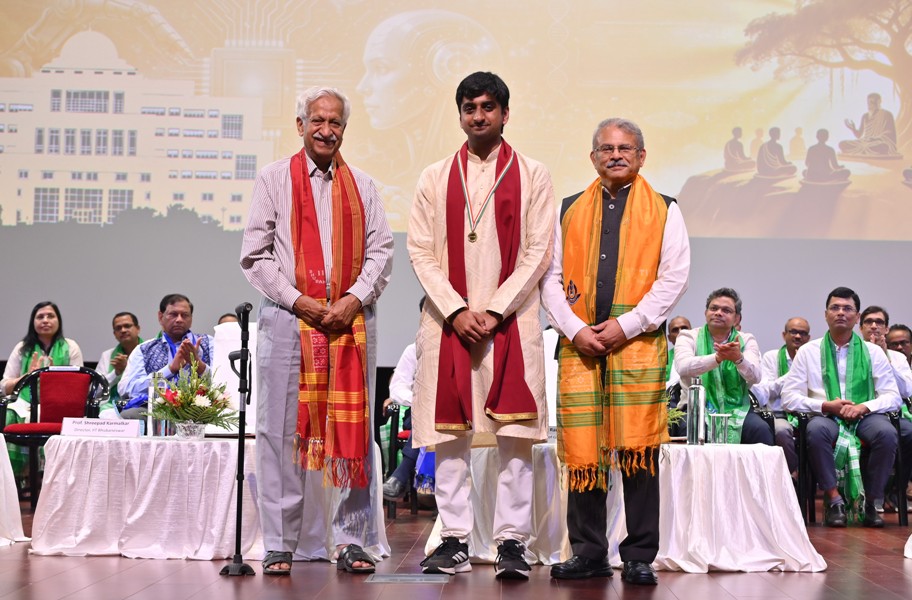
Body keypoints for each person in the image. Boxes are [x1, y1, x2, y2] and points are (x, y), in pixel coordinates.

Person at [240, 86, 394, 576]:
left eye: (336, 122)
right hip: (289, 320)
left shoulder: (363, 185)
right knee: (279, 432)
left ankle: (351, 540)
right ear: (300, 124)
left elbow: (382, 252)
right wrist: (301, 301)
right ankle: (280, 542)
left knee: (353, 431)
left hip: (351, 324)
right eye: (318, 120)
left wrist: (352, 299)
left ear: (344, 128)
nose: (327, 129)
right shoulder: (272, 180)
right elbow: (255, 255)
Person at [408, 71, 553, 580]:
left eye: (488, 107)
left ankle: (511, 542)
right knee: (451, 437)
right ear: (461, 114)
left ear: (505, 114)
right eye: (470, 107)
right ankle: (453, 538)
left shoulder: (534, 174)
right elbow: (421, 252)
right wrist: (455, 309)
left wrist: (493, 310)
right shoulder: (433, 177)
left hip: (510, 322)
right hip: (449, 323)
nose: (479, 116)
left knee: (514, 437)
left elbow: (538, 251)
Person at [540, 117, 690, 585]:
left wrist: (625, 326)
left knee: (637, 453)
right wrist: (574, 329)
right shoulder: (567, 209)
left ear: (642, 156)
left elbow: (673, 279)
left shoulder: (666, 209)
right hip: (580, 346)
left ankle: (640, 554)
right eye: (606, 148)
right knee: (585, 453)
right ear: (593, 157)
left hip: (637, 349)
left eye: (626, 148)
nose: (616, 155)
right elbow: (548, 277)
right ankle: (588, 553)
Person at [782, 287, 902, 527]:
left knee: (887, 433)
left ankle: (871, 503)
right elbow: (789, 397)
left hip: (864, 415)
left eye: (847, 308)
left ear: (857, 317)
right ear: (825, 314)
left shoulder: (873, 352)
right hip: (825, 415)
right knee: (815, 432)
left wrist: (864, 407)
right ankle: (834, 499)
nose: (841, 313)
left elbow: (893, 396)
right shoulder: (808, 351)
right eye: (835, 308)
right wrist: (826, 405)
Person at [674, 288, 773, 446]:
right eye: (714, 308)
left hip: (737, 407)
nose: (718, 313)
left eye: (726, 310)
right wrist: (717, 358)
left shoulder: (746, 340)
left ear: (737, 318)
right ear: (706, 312)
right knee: (690, 429)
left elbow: (755, 377)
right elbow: (683, 366)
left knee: (760, 429)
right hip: (696, 408)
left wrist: (738, 359)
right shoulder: (688, 336)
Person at [2, 301, 84, 474]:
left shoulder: (71, 347)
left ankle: (53, 476)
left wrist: (54, 379)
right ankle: (19, 477)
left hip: (60, 406)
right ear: (33, 322)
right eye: (40, 317)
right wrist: (28, 376)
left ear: (58, 321)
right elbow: (5, 386)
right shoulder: (22, 348)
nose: (45, 320)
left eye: (50, 316)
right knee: (10, 412)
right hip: (24, 404)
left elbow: (80, 385)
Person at [118, 294, 213, 419]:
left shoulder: (209, 342)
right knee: (129, 415)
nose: (179, 319)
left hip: (200, 409)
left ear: (191, 318)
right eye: (173, 314)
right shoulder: (145, 349)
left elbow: (225, 382)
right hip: (157, 409)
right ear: (160, 316)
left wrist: (198, 364)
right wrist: (170, 370)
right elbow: (130, 389)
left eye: (184, 315)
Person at [857, 306, 912, 512]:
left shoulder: (897, 357)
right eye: (868, 321)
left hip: (891, 413)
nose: (874, 326)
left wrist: (885, 356)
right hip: (861, 413)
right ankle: (866, 495)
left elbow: (906, 391)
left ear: (886, 328)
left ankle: (895, 491)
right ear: (860, 327)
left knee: (909, 434)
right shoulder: (853, 352)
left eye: (879, 322)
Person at [751, 317, 811, 475]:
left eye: (803, 333)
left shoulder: (813, 358)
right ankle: (794, 472)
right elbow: (768, 391)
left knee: (819, 433)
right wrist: (794, 371)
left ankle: (811, 477)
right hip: (778, 414)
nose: (798, 336)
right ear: (784, 335)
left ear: (808, 338)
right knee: (781, 432)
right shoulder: (771, 357)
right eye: (793, 332)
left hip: (807, 412)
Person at [95, 311, 143, 414]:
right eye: (118, 328)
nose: (123, 330)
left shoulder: (149, 351)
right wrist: (116, 373)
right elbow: (96, 390)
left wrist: (128, 369)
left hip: (143, 405)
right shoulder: (107, 356)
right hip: (112, 406)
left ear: (138, 329)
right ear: (114, 334)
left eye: (127, 326)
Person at [840, 92, 899, 157]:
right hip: (866, 142)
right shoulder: (865, 116)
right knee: (842, 144)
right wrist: (853, 129)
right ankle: (866, 150)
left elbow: (890, 134)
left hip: (878, 142)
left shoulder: (887, 114)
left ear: (878, 102)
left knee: (883, 146)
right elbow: (859, 135)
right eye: (868, 103)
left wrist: (875, 139)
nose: (869, 105)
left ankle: (866, 149)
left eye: (872, 102)